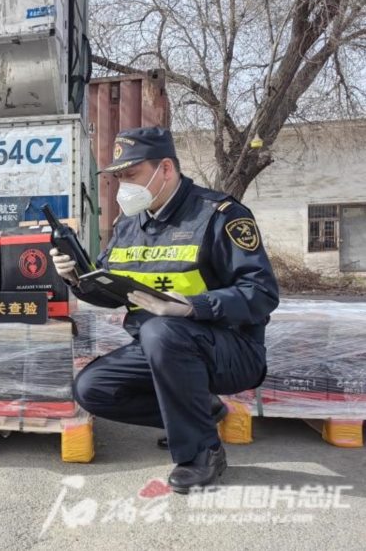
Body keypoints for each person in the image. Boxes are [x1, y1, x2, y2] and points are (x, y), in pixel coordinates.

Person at [51, 127, 279, 493]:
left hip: (230, 349)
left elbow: (262, 293)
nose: (123, 186)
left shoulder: (219, 215)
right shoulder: (128, 225)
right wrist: (77, 279)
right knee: (92, 389)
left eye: (132, 174)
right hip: (158, 348)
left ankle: (202, 453)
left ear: (167, 169)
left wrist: (191, 307)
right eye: (119, 177)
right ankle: (199, 413)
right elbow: (114, 293)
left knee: (162, 330)